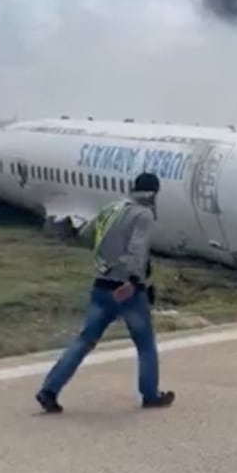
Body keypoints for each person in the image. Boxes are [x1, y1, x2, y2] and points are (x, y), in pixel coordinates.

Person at [35, 171, 175, 414]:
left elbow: (87, 234)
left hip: (101, 286)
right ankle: (150, 395)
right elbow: (137, 249)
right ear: (152, 193)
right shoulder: (143, 214)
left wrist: (107, 260)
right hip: (128, 291)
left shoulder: (112, 208)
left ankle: (49, 390)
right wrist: (132, 279)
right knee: (145, 345)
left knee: (84, 341)